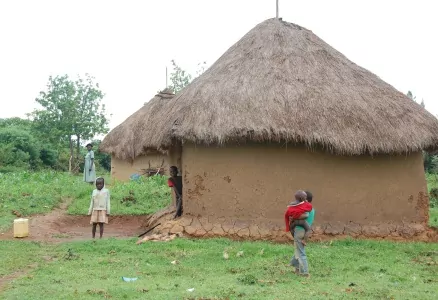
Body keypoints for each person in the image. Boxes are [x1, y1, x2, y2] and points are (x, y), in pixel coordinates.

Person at [289, 191, 315, 277]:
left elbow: (303, 216)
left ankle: (305, 273)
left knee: (301, 252)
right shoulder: (312, 210)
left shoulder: (305, 210)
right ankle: (297, 268)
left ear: (305, 200)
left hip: (300, 230)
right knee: (298, 249)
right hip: (304, 231)